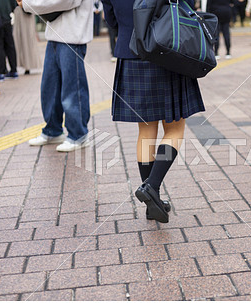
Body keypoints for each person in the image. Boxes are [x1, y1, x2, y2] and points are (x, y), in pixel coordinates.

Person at [102, 0, 205, 223]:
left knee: (146, 131)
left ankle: (152, 202)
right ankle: (152, 187)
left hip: (132, 50)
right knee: (175, 129)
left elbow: (111, 19)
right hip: (166, 49)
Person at [21, 0, 94, 152]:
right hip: (55, 35)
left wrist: (28, 3)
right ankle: (52, 130)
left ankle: (78, 135)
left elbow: (64, 1)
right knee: (50, 87)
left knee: (73, 88)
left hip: (73, 36)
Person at [0, 0, 18, 81]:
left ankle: (0, 72)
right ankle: (14, 70)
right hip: (7, 19)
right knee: (10, 45)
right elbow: (14, 4)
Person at [12, 6, 41, 74]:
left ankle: (26, 65)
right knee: (28, 40)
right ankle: (28, 65)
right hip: (27, 11)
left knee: (23, 40)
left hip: (22, 11)